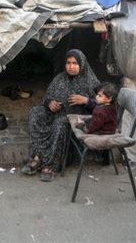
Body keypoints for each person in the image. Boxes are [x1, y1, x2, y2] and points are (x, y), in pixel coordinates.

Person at [21, 49, 99, 181]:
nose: (71, 66)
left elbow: (103, 106)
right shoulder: (60, 78)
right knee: (35, 113)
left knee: (60, 123)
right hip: (56, 113)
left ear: (82, 64)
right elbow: (47, 97)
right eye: (68, 63)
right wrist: (50, 103)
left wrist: (86, 101)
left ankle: (50, 165)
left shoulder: (91, 82)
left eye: (75, 63)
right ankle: (38, 157)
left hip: (76, 119)